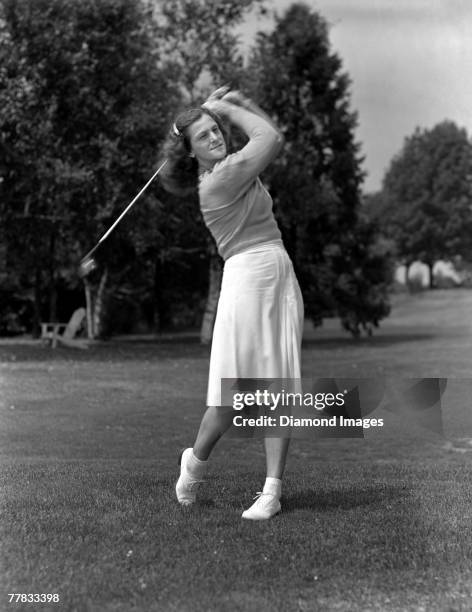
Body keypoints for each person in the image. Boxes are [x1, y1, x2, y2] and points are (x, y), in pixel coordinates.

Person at [160, 87, 304, 520]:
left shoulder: (231, 166)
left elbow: (271, 135)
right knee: (231, 397)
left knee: (278, 384)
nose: (215, 138)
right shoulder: (220, 181)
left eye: (215, 131)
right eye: (203, 137)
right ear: (189, 152)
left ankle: (272, 491)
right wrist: (226, 108)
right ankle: (194, 464)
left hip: (277, 270)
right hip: (245, 276)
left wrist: (239, 108)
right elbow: (271, 139)